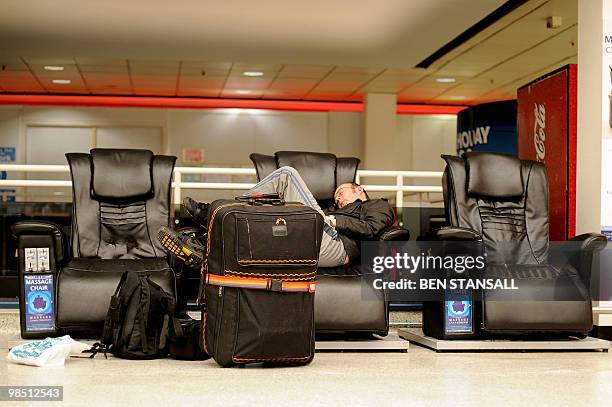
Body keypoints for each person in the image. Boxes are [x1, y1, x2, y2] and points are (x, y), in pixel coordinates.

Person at [158, 166, 396, 268]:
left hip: (337, 246)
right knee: (267, 209)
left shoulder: (377, 205)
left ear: (360, 190)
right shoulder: (337, 208)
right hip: (311, 234)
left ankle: (215, 212)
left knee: (287, 175)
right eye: (336, 197)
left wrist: (332, 219)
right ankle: (205, 246)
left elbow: (371, 228)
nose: (338, 200)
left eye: (341, 193)